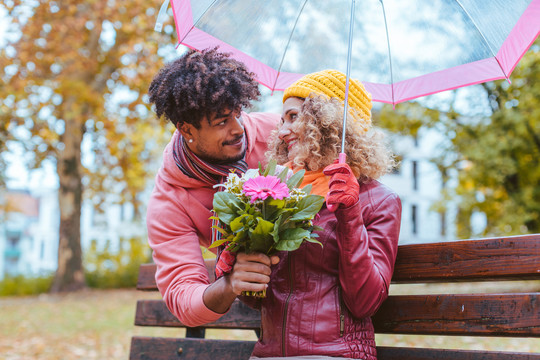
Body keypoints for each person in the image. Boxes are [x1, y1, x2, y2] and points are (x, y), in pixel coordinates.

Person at [250, 70, 402, 359]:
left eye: (293, 117)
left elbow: (365, 302)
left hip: (335, 354)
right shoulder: (281, 192)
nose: (281, 131)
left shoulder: (379, 201)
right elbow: (258, 299)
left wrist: (350, 215)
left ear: (328, 121)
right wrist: (237, 250)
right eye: (282, 120)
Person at [146, 48, 280, 326]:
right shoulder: (170, 201)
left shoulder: (277, 134)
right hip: (265, 306)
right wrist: (230, 284)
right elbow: (182, 294)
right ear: (187, 130)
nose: (238, 129)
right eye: (222, 122)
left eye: (238, 114)